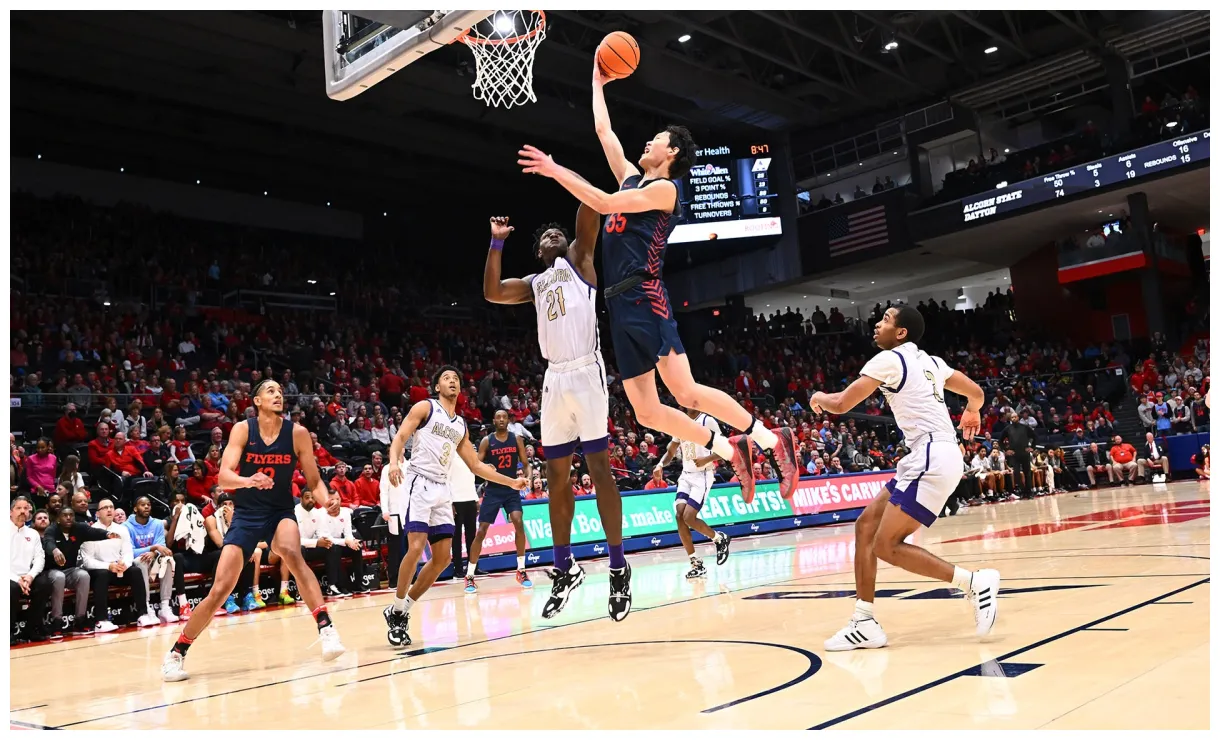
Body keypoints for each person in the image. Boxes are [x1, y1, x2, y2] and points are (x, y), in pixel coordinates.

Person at [516, 56, 800, 509]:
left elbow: (606, 203)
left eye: (657, 139)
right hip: (617, 304)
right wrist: (596, 82)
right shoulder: (633, 178)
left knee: (685, 391)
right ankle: (729, 448)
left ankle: (770, 438)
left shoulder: (664, 191)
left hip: (645, 294)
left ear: (670, 154)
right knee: (647, 412)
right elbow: (605, 133)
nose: (647, 141)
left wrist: (555, 170)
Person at [809, 305, 999, 651]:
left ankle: (973, 582)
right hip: (931, 455)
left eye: (884, 320)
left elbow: (839, 404)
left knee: (886, 545)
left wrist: (818, 397)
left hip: (929, 456)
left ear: (900, 333)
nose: (876, 324)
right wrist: (972, 411)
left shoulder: (889, 360)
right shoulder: (932, 362)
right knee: (866, 526)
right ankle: (864, 621)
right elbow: (977, 393)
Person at [481, 202, 631, 620]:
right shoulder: (535, 283)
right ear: (537, 251)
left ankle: (618, 565)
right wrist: (496, 242)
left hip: (586, 371)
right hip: (554, 379)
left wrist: (567, 173)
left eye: (557, 233)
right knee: (556, 476)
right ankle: (564, 567)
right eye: (544, 236)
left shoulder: (580, 262)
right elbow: (492, 292)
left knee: (599, 468)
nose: (551, 236)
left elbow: (591, 209)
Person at [161, 379, 345, 682]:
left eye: (280, 392)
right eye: (270, 391)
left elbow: (314, 482)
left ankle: (327, 629)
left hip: (279, 510)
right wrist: (250, 480)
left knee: (290, 551)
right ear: (256, 401)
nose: (277, 394)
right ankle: (177, 652)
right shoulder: (243, 430)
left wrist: (328, 503)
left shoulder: (297, 434)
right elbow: (224, 477)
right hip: (246, 513)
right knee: (220, 589)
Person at [382, 367, 529, 646]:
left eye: (456, 379)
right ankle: (398, 606)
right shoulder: (426, 407)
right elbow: (400, 437)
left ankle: (400, 611)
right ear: (437, 386)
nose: (453, 381)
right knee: (415, 547)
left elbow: (475, 466)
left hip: (441, 487)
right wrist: (392, 462)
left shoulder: (460, 425)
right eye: (447, 378)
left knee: (443, 559)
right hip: (419, 481)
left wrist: (511, 482)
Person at [655, 408, 731, 579]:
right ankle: (695, 562)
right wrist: (660, 464)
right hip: (686, 475)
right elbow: (670, 451)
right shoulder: (680, 422)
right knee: (679, 515)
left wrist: (707, 459)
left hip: (703, 475)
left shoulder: (707, 421)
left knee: (689, 517)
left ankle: (719, 538)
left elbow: (726, 449)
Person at [463, 410, 532, 593]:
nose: (501, 419)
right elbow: (476, 466)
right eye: (498, 417)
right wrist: (487, 467)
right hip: (493, 490)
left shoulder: (516, 439)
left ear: (508, 420)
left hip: (511, 489)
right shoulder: (487, 441)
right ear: (494, 420)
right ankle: (469, 575)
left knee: (518, 521)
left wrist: (528, 478)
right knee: (482, 531)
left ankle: (521, 570)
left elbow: (526, 464)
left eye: (504, 417)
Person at [38, 506, 119, 637]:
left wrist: (107, 534)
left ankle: (80, 620)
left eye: (71, 515)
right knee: (59, 577)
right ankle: (56, 621)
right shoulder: (51, 529)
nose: (69, 517)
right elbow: (48, 542)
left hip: (70, 570)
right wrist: (55, 550)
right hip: (51, 571)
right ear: (58, 519)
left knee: (83, 575)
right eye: (65, 515)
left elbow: (92, 531)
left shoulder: (78, 528)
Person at [81, 497, 156, 632]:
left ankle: (143, 614)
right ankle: (101, 620)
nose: (109, 510)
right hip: (99, 570)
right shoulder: (90, 531)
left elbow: (128, 553)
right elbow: (87, 561)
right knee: (102, 574)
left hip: (118, 569)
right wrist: (108, 566)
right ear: (97, 513)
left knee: (135, 571)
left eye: (111, 507)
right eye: (105, 508)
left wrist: (124, 564)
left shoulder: (122, 529)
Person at [125, 495, 179, 624]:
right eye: (142, 505)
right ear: (135, 509)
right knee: (141, 561)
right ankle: (146, 606)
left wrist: (154, 552)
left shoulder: (157, 524)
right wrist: (152, 549)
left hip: (154, 560)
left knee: (167, 560)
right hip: (137, 562)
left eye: (148, 504)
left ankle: (165, 607)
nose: (146, 507)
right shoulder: (126, 527)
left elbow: (163, 547)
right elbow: (130, 552)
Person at [11, 497, 52, 644]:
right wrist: (17, 579)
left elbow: (40, 559)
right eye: (18, 508)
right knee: (11, 588)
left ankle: (31, 628)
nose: (23, 511)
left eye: (26, 508)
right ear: (10, 512)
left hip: (27, 576)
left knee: (44, 584)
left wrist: (30, 576)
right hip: (9, 576)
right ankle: (8, 631)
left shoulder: (33, 534)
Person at [449, 455, 479, 581]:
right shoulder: (451, 456)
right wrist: (450, 502)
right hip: (456, 500)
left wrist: (476, 499)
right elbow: (447, 480)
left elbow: (471, 479)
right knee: (456, 538)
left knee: (472, 536)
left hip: (470, 499)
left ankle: (473, 567)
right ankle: (458, 569)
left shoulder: (470, 456)